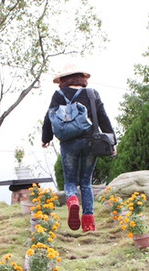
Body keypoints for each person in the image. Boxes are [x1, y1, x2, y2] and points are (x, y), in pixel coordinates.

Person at [41, 64, 115, 232]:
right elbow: (103, 117)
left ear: (64, 80)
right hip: (90, 141)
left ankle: (73, 200)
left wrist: (46, 138)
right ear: (82, 78)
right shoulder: (91, 94)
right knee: (86, 182)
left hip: (68, 143)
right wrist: (112, 141)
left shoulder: (58, 95)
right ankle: (88, 223)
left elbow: (49, 117)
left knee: (71, 181)